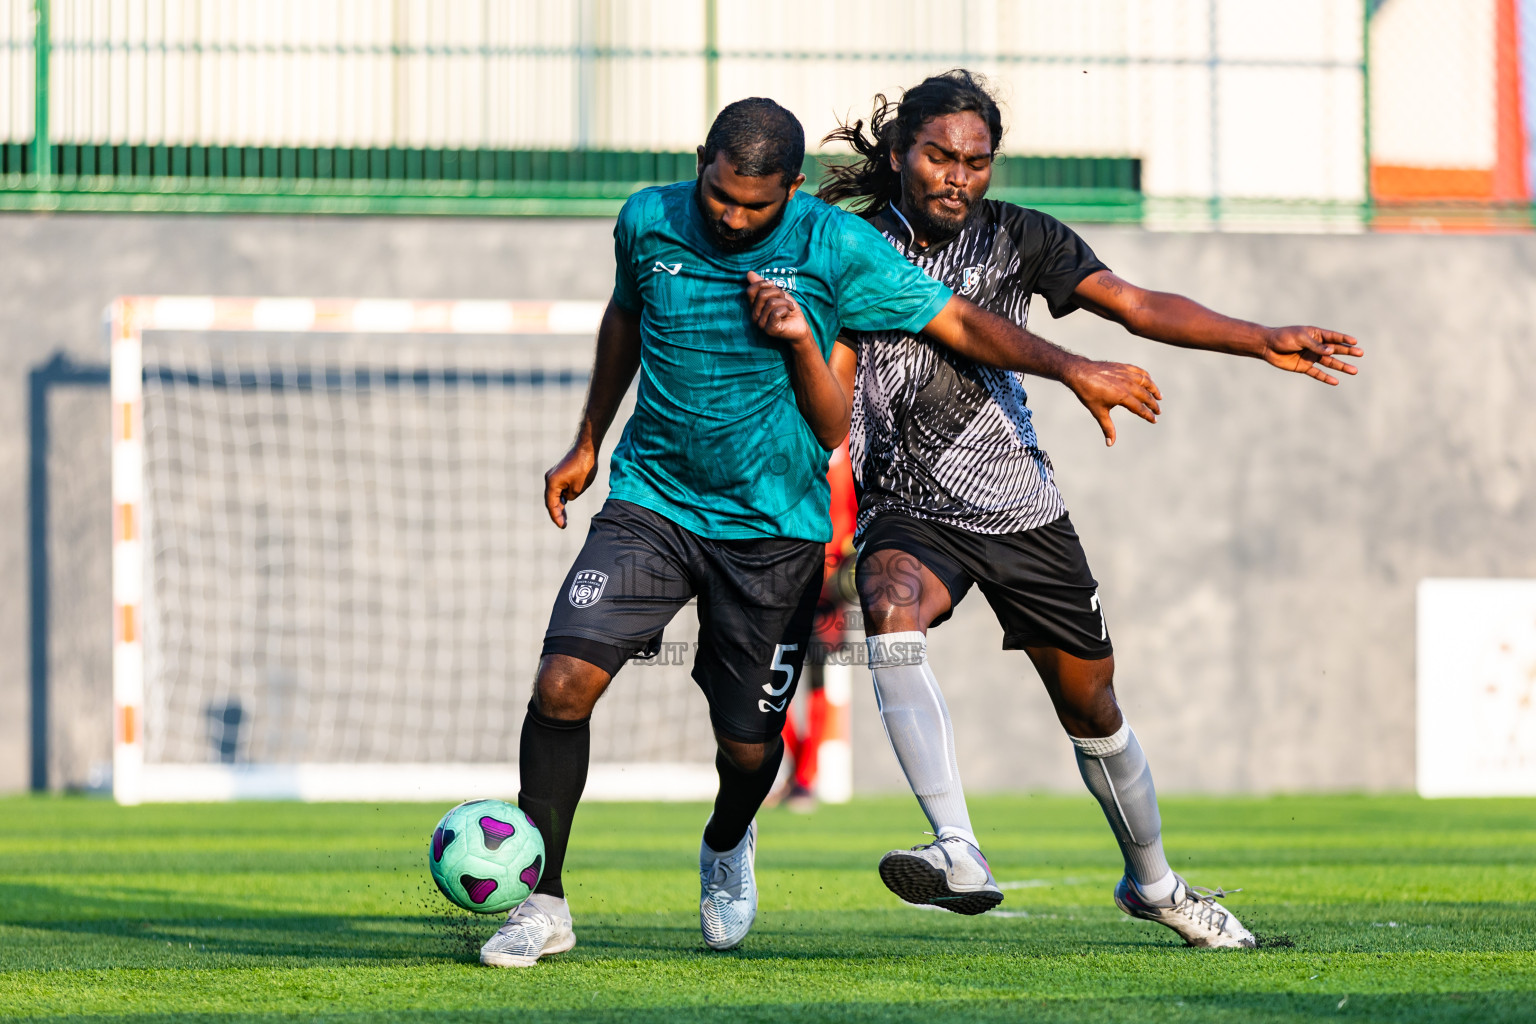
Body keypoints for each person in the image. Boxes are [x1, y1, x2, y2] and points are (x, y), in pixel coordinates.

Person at [481, 95, 1165, 967]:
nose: (731, 218)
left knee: (747, 746)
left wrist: (1072, 367)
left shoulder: (834, 247)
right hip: (651, 502)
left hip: (774, 530)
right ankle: (542, 903)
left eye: (755, 206)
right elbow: (624, 317)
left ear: (793, 189)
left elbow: (945, 329)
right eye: (720, 196)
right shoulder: (647, 218)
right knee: (563, 682)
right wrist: (587, 440)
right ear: (701, 162)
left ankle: (729, 839)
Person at [818, 70, 1363, 948]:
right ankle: (958, 849)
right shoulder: (846, 247)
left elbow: (1139, 305)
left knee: (1093, 708)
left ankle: (1155, 885)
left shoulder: (1023, 240)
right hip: (906, 507)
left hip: (1019, 507)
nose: (957, 175)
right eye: (939, 156)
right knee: (886, 600)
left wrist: (1260, 338)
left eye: (976, 160)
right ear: (899, 154)